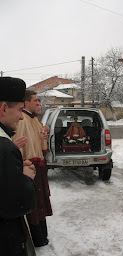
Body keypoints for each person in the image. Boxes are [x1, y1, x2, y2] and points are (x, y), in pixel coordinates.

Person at [0, 77, 37, 256]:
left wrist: (11, 170)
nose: (22, 116)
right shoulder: (5, 147)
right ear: (4, 108)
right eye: (19, 110)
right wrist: (25, 177)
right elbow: (19, 204)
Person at [13, 90, 53, 247]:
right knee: (34, 205)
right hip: (30, 168)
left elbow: (41, 149)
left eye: (39, 101)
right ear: (26, 103)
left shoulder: (35, 120)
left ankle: (42, 236)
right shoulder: (21, 120)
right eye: (35, 101)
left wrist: (43, 138)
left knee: (40, 203)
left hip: (39, 166)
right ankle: (37, 238)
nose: (38, 103)